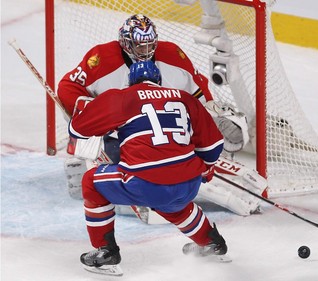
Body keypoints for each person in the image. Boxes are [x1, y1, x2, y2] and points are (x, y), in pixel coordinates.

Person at [58, 13, 261, 216]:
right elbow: (68, 87)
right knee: (154, 169)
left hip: (166, 131)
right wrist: (94, 113)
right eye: (139, 45)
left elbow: (200, 96)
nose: (145, 50)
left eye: (149, 44)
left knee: (181, 162)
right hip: (121, 135)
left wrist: (209, 118)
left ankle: (219, 186)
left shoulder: (172, 54)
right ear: (125, 43)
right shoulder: (102, 59)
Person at [69, 61, 229, 276]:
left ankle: (105, 252)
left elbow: (78, 130)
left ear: (131, 82)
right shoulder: (185, 98)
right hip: (188, 183)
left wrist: (85, 112)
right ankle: (212, 243)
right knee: (172, 202)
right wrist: (206, 167)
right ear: (159, 82)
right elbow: (213, 146)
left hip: (145, 182)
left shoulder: (123, 97)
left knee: (91, 182)